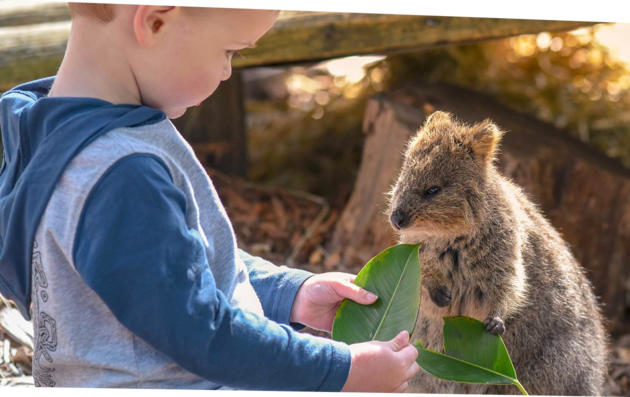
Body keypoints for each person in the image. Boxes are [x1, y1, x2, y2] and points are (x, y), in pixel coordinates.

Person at [0, 3, 420, 391]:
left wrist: (289, 294)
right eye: (229, 51)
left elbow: (173, 271)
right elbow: (204, 335)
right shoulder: (123, 173)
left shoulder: (46, 132)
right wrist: (339, 371)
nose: (226, 72)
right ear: (156, 21)